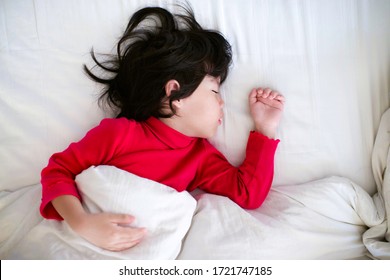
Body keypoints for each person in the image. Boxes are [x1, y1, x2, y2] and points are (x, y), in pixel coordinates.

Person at [40, 6, 285, 252]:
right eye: (214, 91)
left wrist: (265, 128)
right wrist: (82, 222)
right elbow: (58, 171)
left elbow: (248, 193)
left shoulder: (200, 156)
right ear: (175, 93)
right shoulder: (119, 134)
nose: (222, 103)